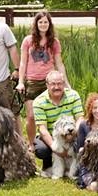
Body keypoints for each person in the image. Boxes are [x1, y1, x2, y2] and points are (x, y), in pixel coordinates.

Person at [16, 11, 67, 143]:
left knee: (51, 113)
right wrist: (21, 82)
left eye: (46, 22)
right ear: (36, 24)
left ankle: (52, 141)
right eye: (40, 22)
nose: (43, 24)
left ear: (49, 24)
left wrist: (65, 83)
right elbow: (23, 62)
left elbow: (59, 63)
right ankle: (32, 143)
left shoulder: (54, 42)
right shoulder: (28, 41)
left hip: (49, 82)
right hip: (31, 81)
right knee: (31, 116)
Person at [32, 70, 84, 172]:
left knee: (83, 140)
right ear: (47, 85)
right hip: (51, 135)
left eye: (60, 83)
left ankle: (78, 166)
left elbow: (80, 119)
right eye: (53, 84)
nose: (57, 87)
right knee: (42, 150)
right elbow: (42, 129)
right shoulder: (39, 101)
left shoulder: (73, 95)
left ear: (63, 84)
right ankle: (48, 164)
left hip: (72, 133)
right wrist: (56, 149)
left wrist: (73, 134)